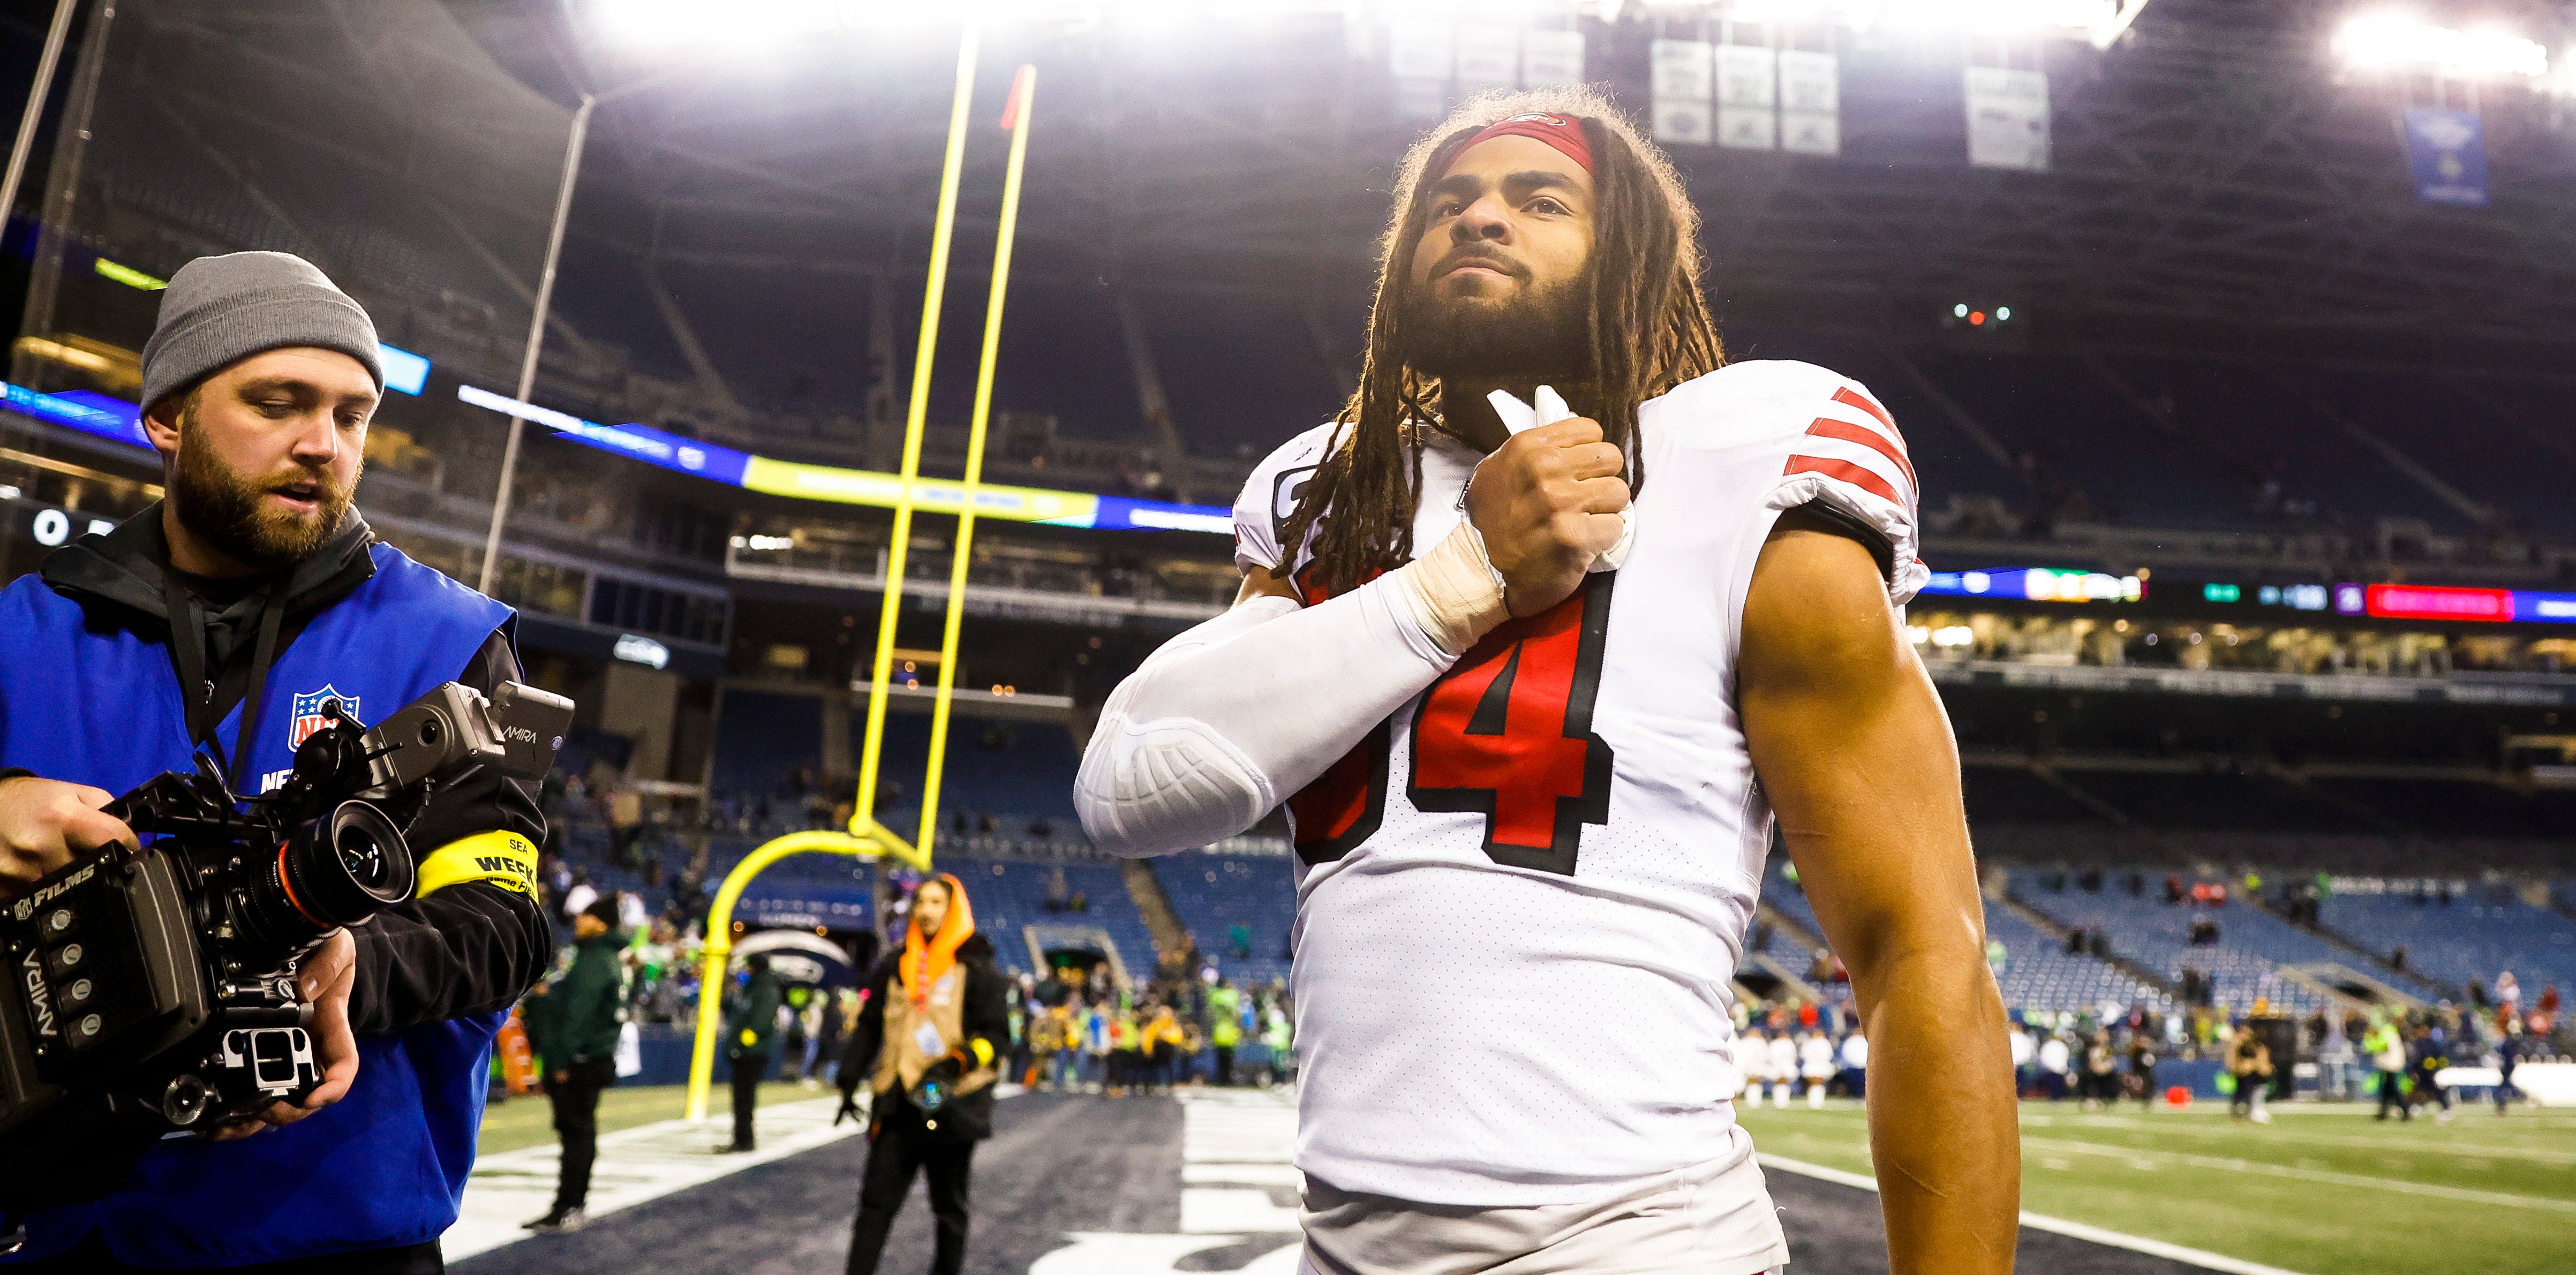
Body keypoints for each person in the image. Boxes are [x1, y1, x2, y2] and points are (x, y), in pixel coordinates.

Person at [1076, 93, 2016, 1273]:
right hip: (1338, 1243)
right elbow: (1130, 786)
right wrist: (1461, 577)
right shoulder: (1331, 497)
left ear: (1627, 258)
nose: (1479, 218)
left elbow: (1918, 947)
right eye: (1448, 200)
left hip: (1639, 1242)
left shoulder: (1744, 468)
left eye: (1539, 199)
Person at [0, 251, 551, 1269]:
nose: (321, 444)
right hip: (54, 1226)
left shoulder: (451, 641)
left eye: (352, 414)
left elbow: (504, 924)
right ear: (166, 416)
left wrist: (353, 964)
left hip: (328, 1230)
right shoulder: (21, 628)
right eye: (278, 402)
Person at [837, 874, 1008, 1275]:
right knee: (875, 1204)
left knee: (949, 1208)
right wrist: (848, 1077)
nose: (926, 910)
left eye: (936, 902)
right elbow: (870, 1025)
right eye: (921, 902)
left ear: (953, 909)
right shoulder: (895, 964)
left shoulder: (977, 965)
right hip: (897, 1101)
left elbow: (998, 1036)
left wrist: (956, 1063)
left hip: (949, 1101)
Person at [521, 903, 628, 1233]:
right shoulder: (601, 958)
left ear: (602, 923)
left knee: (577, 1135)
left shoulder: (596, 960)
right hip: (588, 1059)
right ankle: (571, 1204)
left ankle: (569, 1206)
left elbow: (578, 1015)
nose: (579, 921)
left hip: (579, 1061)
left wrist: (561, 1059)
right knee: (578, 1134)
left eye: (587, 916)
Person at [722, 953, 783, 1151]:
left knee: (745, 1098)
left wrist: (740, 1045)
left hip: (753, 1053)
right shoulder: (752, 987)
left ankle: (745, 1140)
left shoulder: (766, 988)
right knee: (741, 1097)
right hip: (747, 1051)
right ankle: (741, 1138)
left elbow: (760, 1022)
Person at [2366, 1011, 2410, 1121]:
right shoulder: (2390, 1030)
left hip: (2391, 1063)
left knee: (2392, 1089)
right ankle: (2384, 1112)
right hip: (2392, 1063)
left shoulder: (2387, 1030)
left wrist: (2369, 1041)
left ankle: (2404, 1110)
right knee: (2388, 1089)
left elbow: (2380, 1045)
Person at [2226, 1023, 2272, 1123]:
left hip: (2257, 1083)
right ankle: (2243, 1108)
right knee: (2240, 1107)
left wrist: (2254, 1064)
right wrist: (2235, 1047)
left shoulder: (2259, 1048)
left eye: (2247, 1033)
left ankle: (2254, 1110)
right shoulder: (2238, 1047)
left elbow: (2266, 1070)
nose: (2245, 1036)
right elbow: (2231, 1068)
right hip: (2243, 1082)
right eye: (2242, 1033)